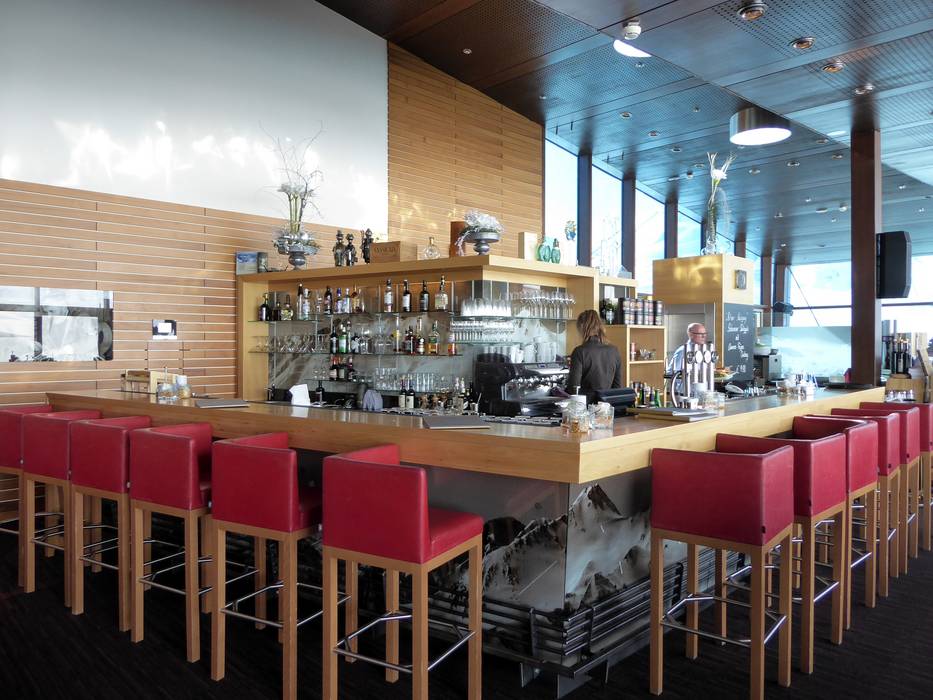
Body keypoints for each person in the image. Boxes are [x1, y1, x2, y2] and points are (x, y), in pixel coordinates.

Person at [566, 310, 622, 403]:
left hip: (585, 406)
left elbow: (573, 389)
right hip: (607, 406)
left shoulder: (580, 351)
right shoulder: (614, 351)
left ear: (582, 327)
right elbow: (617, 387)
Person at [667, 323, 708, 395]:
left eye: (705, 333)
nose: (703, 336)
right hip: (686, 393)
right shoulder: (683, 351)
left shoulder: (703, 350)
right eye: (700, 334)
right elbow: (671, 373)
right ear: (690, 334)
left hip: (701, 392)